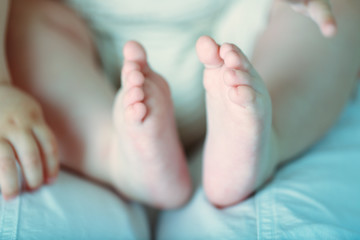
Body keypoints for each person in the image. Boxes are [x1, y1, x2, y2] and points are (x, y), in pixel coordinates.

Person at [0, 0, 359, 211]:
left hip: (243, 29)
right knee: (27, 24)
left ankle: (263, 139)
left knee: (335, 13)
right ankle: (117, 153)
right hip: (89, 40)